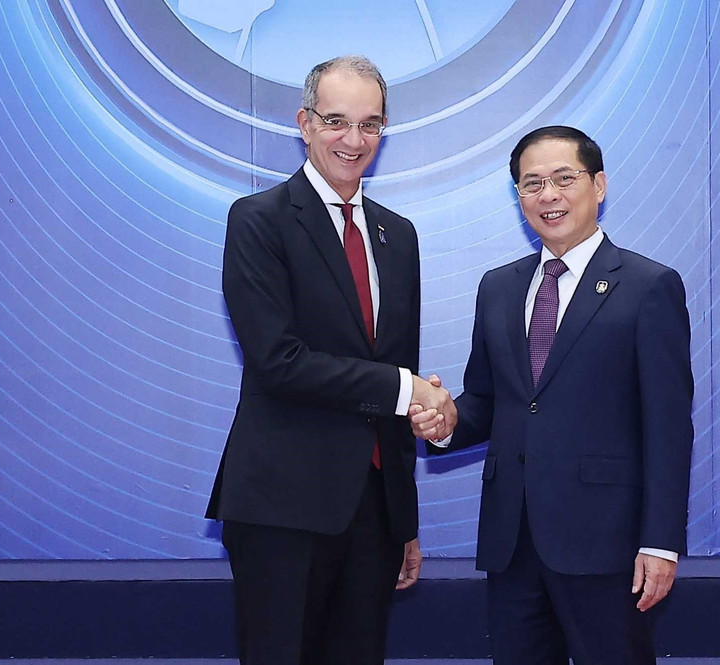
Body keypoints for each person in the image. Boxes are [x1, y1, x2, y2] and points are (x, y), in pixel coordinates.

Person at [412, 126, 694, 664]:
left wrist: (660, 542)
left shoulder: (649, 286)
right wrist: (444, 421)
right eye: (532, 183)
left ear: (599, 186)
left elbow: (669, 427)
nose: (548, 195)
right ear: (518, 196)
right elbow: (488, 401)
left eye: (565, 179)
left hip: (607, 545)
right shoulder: (498, 287)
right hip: (512, 542)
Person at [206, 55, 453, 665]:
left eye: (370, 124)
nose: (354, 139)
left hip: (373, 513)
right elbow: (278, 361)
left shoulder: (399, 235)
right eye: (336, 121)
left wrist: (403, 521)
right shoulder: (258, 220)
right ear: (305, 124)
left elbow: (397, 368)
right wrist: (407, 389)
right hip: (282, 507)